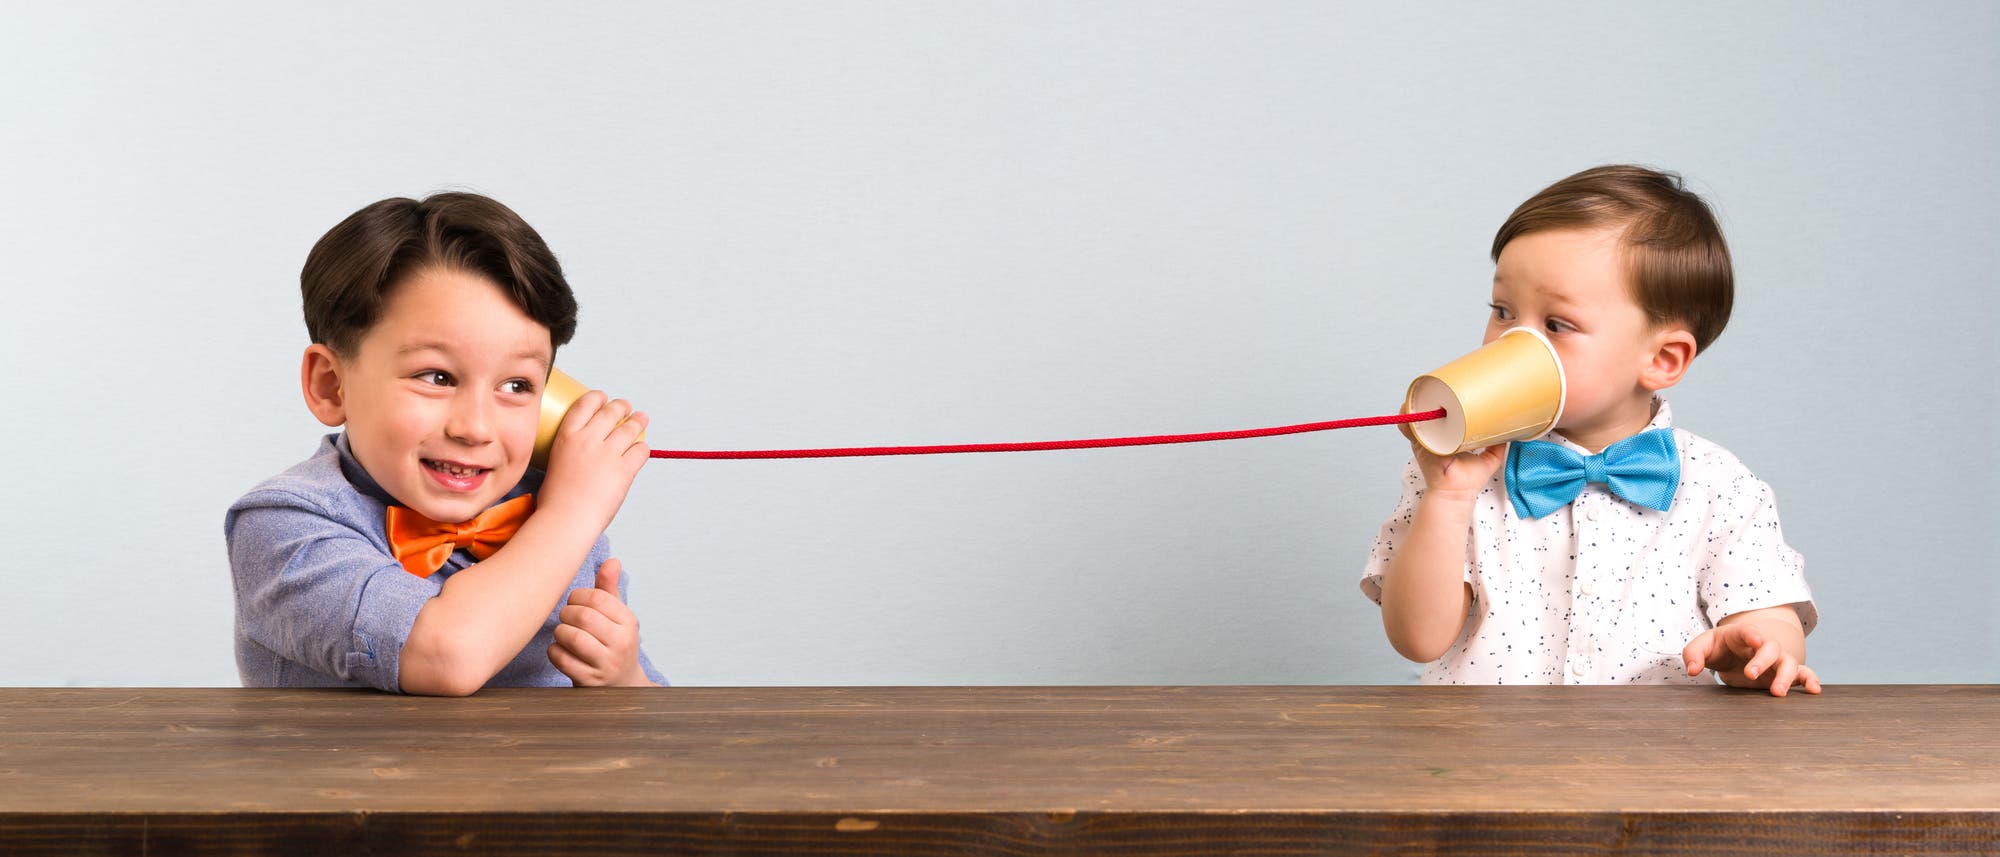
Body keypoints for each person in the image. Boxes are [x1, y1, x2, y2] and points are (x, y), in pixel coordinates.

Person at [1360, 165, 1818, 696]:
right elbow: (1418, 639)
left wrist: (1753, 647)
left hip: (1657, 761)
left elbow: (1772, 620)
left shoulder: (1720, 486)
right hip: (1481, 762)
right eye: (1503, 311)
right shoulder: (1453, 472)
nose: (1512, 342)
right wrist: (1448, 497)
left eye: (1557, 324)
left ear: (1663, 359)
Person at [227, 192, 666, 695]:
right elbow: (447, 656)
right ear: (332, 385)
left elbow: (654, 727)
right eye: (436, 376)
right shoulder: (282, 525)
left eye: (517, 386)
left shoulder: (558, 517)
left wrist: (625, 680)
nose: (475, 428)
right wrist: (573, 512)